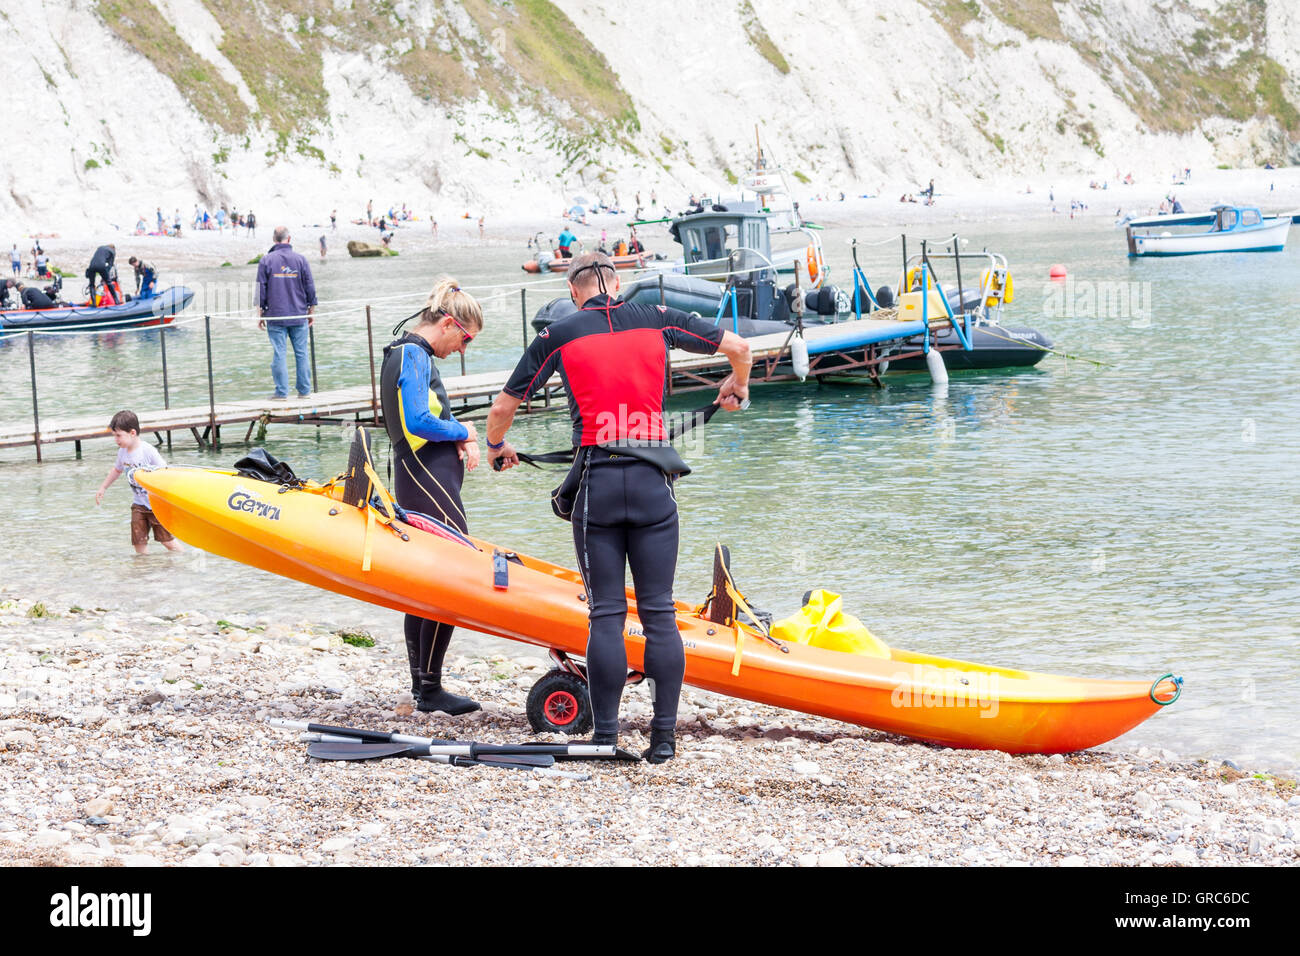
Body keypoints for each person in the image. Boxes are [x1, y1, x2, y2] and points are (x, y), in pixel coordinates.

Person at [485, 252, 752, 763]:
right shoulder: (657, 318)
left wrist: (498, 447)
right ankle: (664, 740)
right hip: (653, 486)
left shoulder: (559, 335)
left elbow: (502, 407)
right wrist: (736, 384)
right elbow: (739, 347)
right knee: (658, 615)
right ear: (619, 282)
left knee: (605, 615)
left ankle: (605, 737)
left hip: (598, 486)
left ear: (572, 290)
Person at [379, 277, 484, 714]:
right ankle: (430, 688)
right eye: (466, 339)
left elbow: (428, 412)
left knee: (426, 581)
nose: (462, 350)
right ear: (447, 323)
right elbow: (420, 421)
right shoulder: (413, 354)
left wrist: (458, 437)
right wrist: (466, 431)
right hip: (426, 475)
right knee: (451, 575)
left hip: (422, 474)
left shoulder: (405, 353)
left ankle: (425, 687)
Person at [95, 410, 181, 555]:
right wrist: (103, 487)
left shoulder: (147, 451)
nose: (116, 440)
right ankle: (144, 570)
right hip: (139, 505)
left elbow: (164, 471)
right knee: (138, 541)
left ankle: (182, 558)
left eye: (118, 435)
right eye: (114, 436)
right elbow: (117, 470)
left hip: (156, 504)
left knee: (166, 541)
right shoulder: (122, 452)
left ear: (132, 433)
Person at [256, 226, 316, 399]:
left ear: (274, 240)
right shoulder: (301, 260)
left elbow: (260, 289)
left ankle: (282, 392)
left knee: (279, 353)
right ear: (289, 239)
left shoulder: (266, 260)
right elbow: (310, 287)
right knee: (301, 352)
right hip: (299, 313)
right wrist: (311, 311)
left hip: (276, 315)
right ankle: (304, 391)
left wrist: (259, 314)